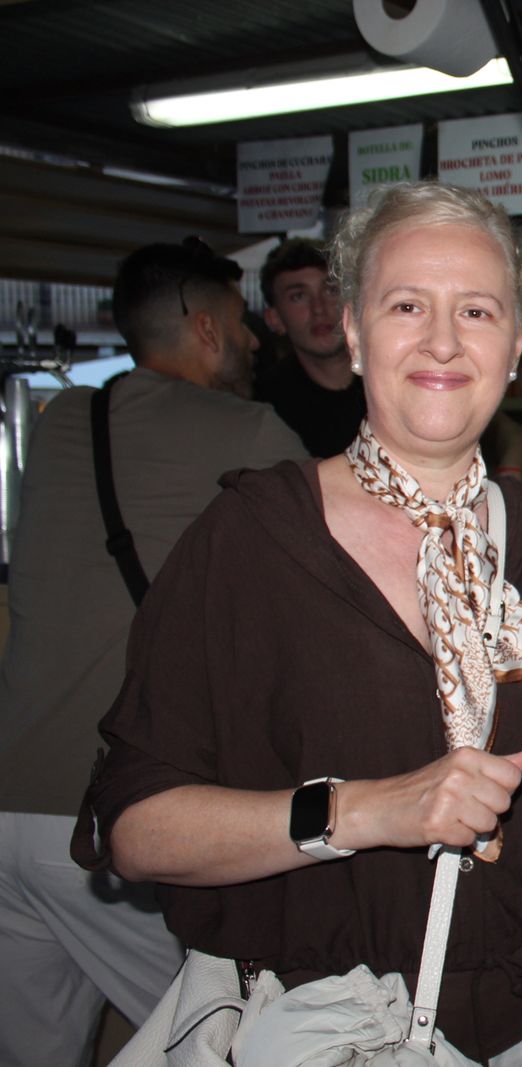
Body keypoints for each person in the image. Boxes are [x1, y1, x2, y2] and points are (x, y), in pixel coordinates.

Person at [78, 183, 522, 1065]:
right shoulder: (251, 539)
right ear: (352, 329)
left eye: (478, 311)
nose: (445, 341)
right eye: (407, 305)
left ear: (515, 345)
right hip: (328, 1027)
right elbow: (137, 829)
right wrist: (366, 809)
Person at [0, 239, 306, 1067]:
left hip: (10, 807)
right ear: (206, 329)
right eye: (243, 323)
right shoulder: (251, 429)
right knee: (224, 1041)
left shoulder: (64, 419)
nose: (254, 342)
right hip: (113, 821)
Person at [254, 237, 368, 456]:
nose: (319, 309)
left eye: (331, 290)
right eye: (298, 296)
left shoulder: (390, 380)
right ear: (274, 319)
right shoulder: (265, 409)